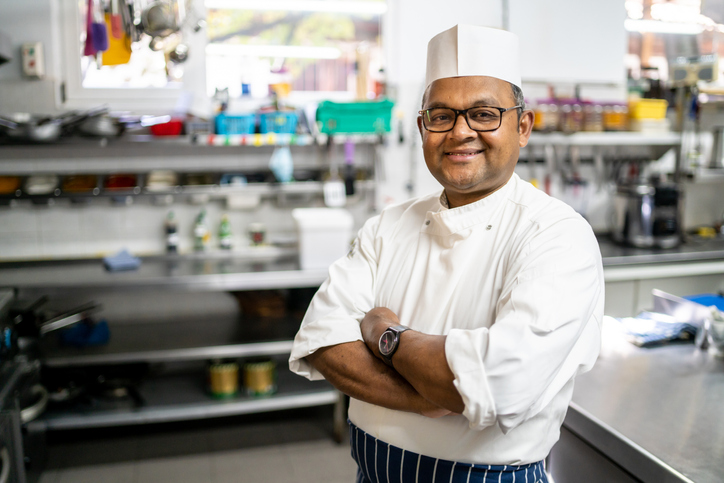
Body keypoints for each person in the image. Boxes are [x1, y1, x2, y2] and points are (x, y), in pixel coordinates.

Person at [289, 24, 604, 483]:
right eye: (441, 116)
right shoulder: (387, 226)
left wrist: (385, 334)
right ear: (423, 128)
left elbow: (498, 384)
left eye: (483, 114)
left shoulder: (556, 235)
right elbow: (324, 345)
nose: (460, 133)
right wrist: (433, 392)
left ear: (523, 127)